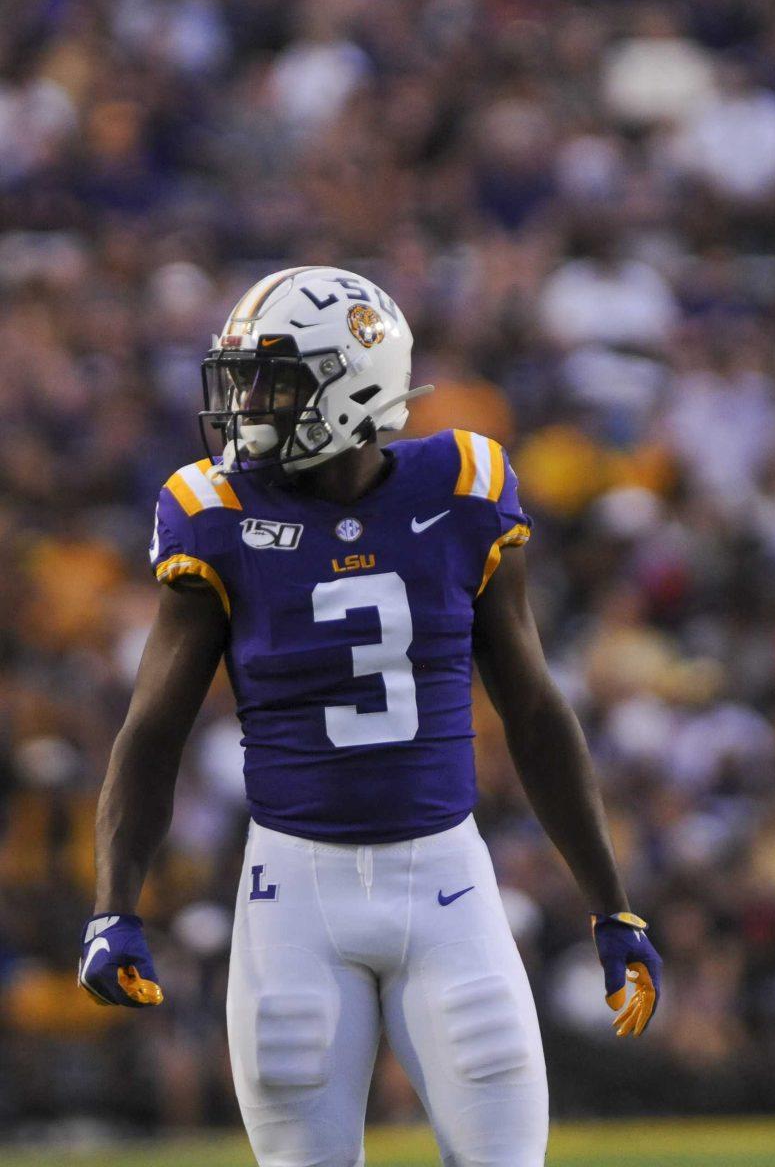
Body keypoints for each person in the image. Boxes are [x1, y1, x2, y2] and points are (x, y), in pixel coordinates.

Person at [78, 266, 662, 1167]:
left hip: (447, 885)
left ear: (353, 380)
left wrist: (611, 907)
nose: (246, 405)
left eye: (272, 380)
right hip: (291, 895)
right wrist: (112, 907)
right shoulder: (215, 510)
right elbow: (152, 729)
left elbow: (535, 707)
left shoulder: (463, 483)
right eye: (241, 380)